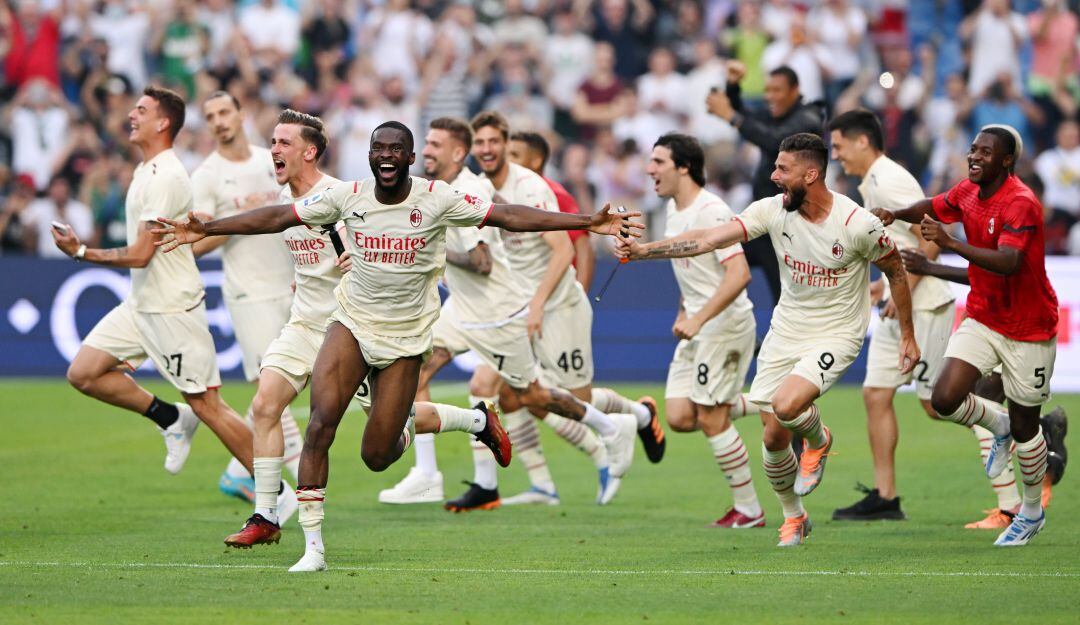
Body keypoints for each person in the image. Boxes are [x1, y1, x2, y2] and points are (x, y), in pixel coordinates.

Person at [154, 121, 644, 572]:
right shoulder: (348, 197)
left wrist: (587, 221)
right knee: (320, 423)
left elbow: (508, 216)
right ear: (369, 156)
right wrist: (207, 228)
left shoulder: (438, 198)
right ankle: (312, 546)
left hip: (406, 339)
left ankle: (476, 421)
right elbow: (279, 216)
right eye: (378, 148)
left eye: (396, 149)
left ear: (409, 158)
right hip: (349, 324)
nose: (386, 155)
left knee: (378, 454)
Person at [618, 133, 918, 547]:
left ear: (810, 175)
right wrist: (643, 251)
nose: (774, 176)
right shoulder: (772, 210)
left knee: (787, 404)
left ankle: (819, 439)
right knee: (773, 438)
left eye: (783, 169)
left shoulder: (857, 224)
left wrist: (907, 336)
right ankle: (794, 516)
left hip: (837, 332)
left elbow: (897, 271)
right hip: (787, 329)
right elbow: (708, 239)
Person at [379, 117, 637, 510]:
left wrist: (429, 251)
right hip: (462, 308)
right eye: (426, 143)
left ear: (457, 152)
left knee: (531, 395)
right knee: (412, 370)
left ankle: (611, 429)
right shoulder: (441, 189)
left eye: (434, 144)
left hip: (495, 313)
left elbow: (481, 261)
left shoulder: (468, 192)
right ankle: (428, 474)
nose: (425, 150)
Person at [49, 85, 257, 495]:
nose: (132, 115)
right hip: (142, 303)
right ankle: (170, 418)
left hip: (172, 307)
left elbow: (142, 254)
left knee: (208, 405)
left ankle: (277, 493)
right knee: (84, 373)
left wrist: (82, 251)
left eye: (141, 110)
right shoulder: (146, 170)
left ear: (163, 123)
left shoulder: (167, 175)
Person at [874, 125, 1058, 546]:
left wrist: (947, 246)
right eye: (973, 149)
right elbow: (934, 206)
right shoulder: (968, 191)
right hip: (983, 317)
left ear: (1007, 161)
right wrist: (896, 214)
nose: (974, 156)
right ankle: (999, 425)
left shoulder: (1021, 203)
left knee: (1028, 426)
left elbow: (1008, 264)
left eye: (985, 152)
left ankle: (1031, 512)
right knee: (944, 398)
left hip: (1029, 328)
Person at [469, 110, 663, 507]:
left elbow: (577, 250)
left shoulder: (550, 194)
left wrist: (572, 300)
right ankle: (534, 484)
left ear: (534, 159)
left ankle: (636, 418)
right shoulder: (491, 189)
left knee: (576, 400)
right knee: (500, 391)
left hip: (556, 305)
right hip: (520, 307)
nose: (503, 158)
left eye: (513, 152)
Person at [220, 109, 344, 548]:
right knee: (265, 404)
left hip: (347, 330)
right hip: (303, 325)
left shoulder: (340, 198)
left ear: (309, 152)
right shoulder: (284, 202)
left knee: (389, 435)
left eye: (284, 142)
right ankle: (267, 515)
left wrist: (358, 264)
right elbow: (309, 257)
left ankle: (474, 420)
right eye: (273, 141)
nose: (274, 149)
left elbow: (369, 257)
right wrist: (303, 279)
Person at [826, 110, 956, 521]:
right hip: (899, 304)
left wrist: (905, 292)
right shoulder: (873, 182)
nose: (835, 155)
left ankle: (1023, 428)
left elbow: (930, 239)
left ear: (862, 141)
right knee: (876, 394)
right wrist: (885, 288)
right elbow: (901, 245)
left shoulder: (890, 180)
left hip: (924, 304)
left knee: (938, 405)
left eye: (838, 146)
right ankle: (886, 497)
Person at [190, 91, 305, 503]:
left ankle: (236, 473)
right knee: (273, 391)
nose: (219, 121)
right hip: (248, 293)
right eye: (210, 116)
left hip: (291, 286)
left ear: (241, 114)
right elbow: (196, 242)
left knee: (286, 388)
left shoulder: (269, 161)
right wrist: (241, 222)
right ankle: (305, 485)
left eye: (225, 112)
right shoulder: (206, 176)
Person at [646, 132, 764, 528]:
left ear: (683, 167)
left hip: (724, 326)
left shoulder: (712, 211)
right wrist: (685, 311)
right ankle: (772, 402)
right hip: (697, 326)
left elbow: (739, 274)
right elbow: (694, 273)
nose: (649, 169)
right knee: (680, 416)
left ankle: (749, 510)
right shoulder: (673, 209)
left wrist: (699, 318)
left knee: (712, 418)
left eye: (658, 162)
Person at [902, 248, 1068, 529]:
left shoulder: (1011, 224)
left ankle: (1010, 508)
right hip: (988, 316)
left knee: (978, 403)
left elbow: (999, 267)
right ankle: (1039, 428)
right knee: (948, 405)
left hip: (1017, 324)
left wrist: (932, 263)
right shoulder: (983, 223)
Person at [706, 64, 825, 305]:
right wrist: (732, 85)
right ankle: (724, 322)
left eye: (777, 90)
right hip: (765, 223)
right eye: (767, 90)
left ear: (795, 91)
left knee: (786, 298)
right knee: (718, 262)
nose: (770, 97)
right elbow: (744, 113)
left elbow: (775, 141)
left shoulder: (808, 119)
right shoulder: (776, 115)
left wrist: (731, 117)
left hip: (791, 226)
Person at [507, 131, 595, 292]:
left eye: (515, 155)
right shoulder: (506, 194)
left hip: (556, 293)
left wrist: (580, 296)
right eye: (506, 155)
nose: (507, 162)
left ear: (536, 161)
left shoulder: (555, 194)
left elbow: (583, 248)